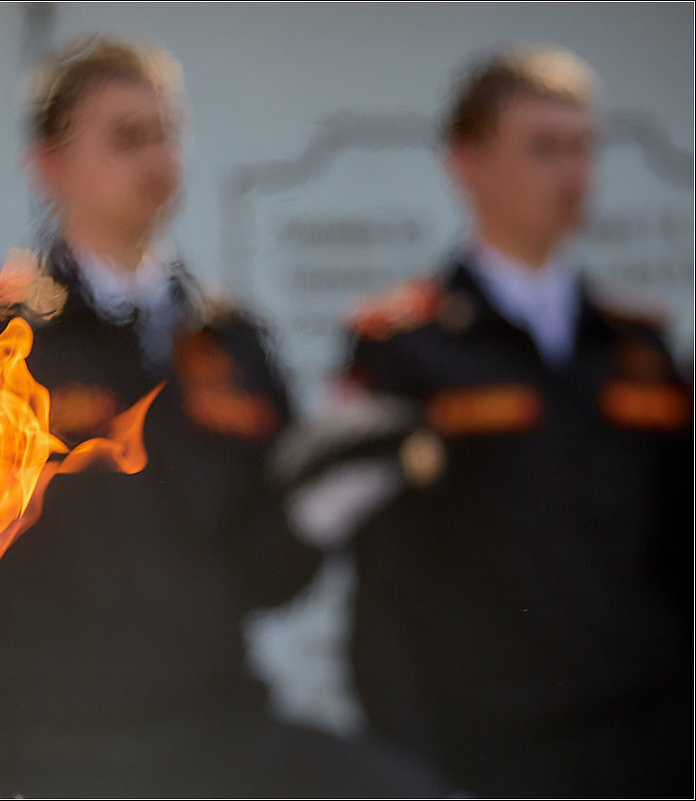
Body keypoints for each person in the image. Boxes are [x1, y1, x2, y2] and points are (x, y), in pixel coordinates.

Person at [0, 34, 449, 798]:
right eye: (125, 137)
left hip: (218, 735)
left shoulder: (231, 338)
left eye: (165, 133)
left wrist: (311, 517)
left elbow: (264, 577)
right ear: (48, 165)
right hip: (45, 752)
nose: (154, 156)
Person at [274, 43, 692, 797]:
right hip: (494, 753)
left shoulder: (638, 345)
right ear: (465, 164)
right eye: (543, 148)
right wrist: (411, 767)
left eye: (582, 148)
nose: (572, 172)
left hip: (651, 742)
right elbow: (386, 588)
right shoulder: (407, 348)